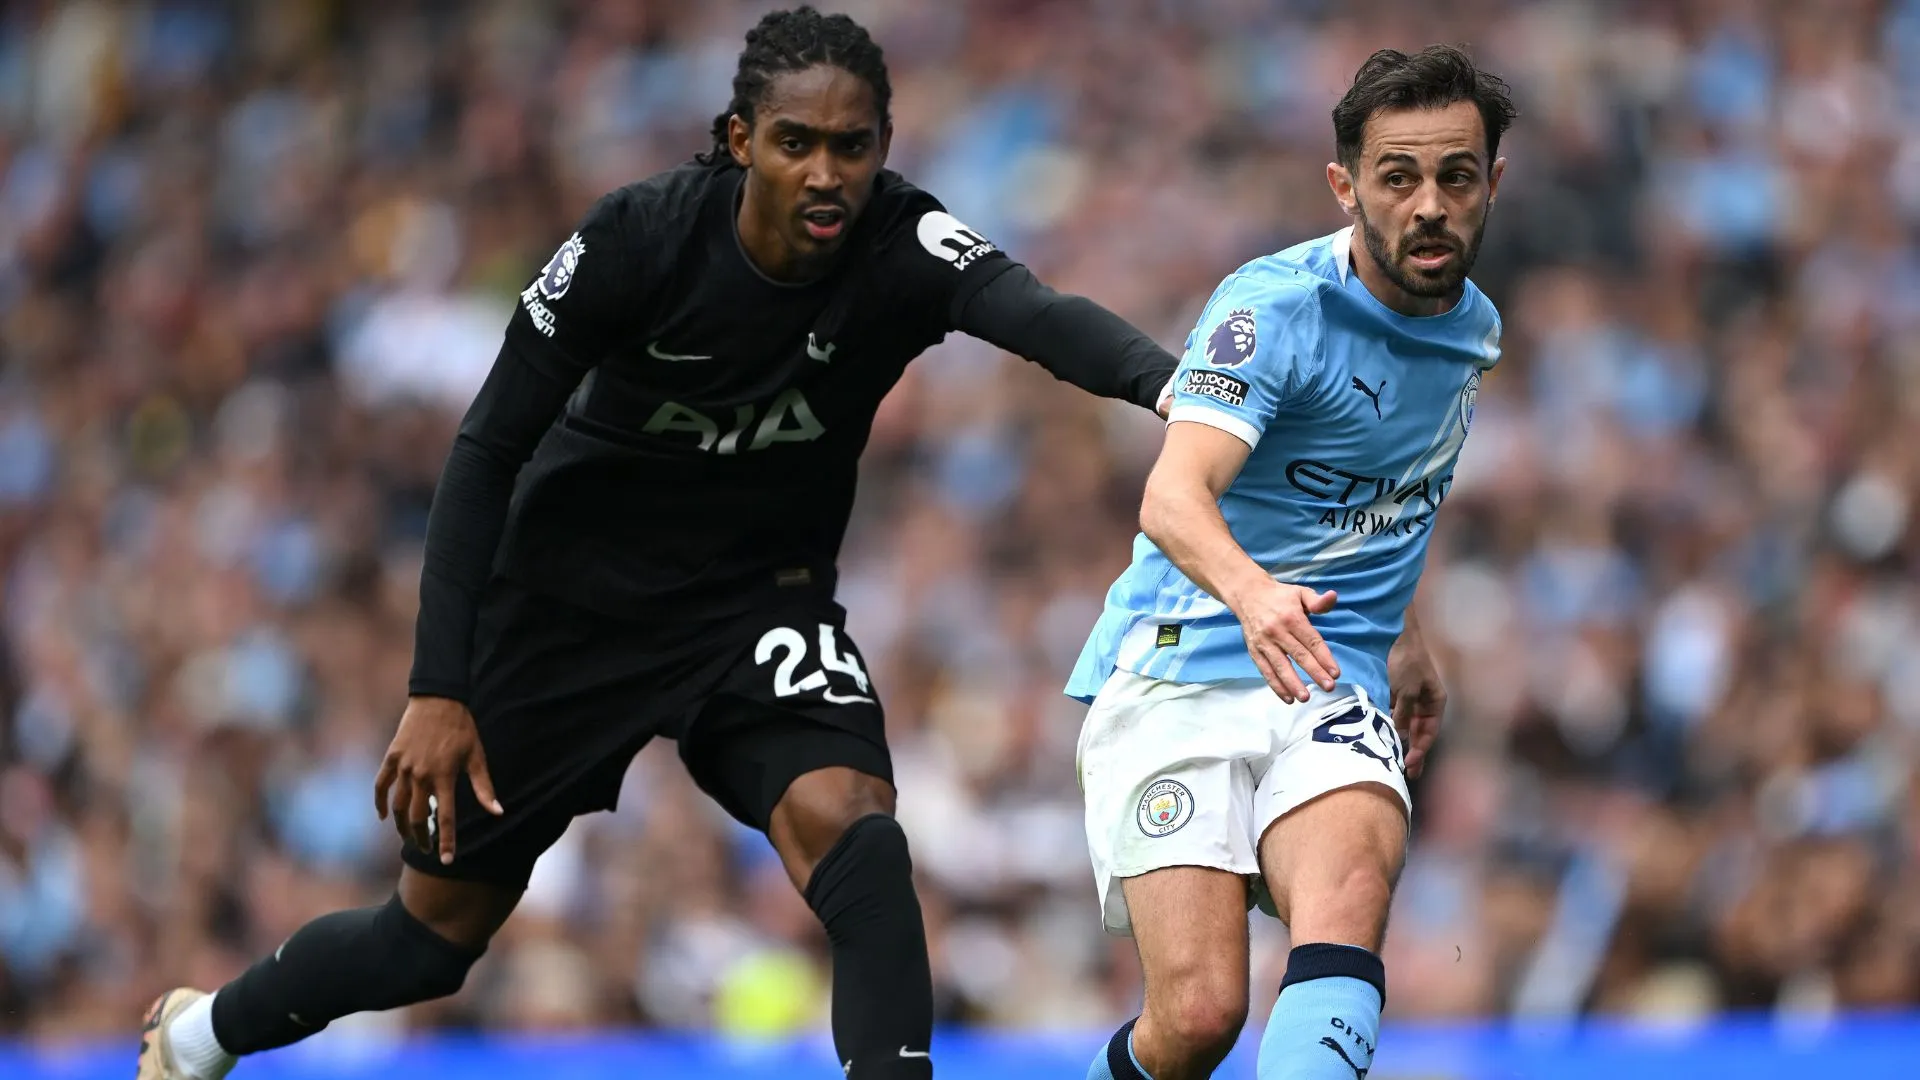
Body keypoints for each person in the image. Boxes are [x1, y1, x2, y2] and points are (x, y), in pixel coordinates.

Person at [136, 8, 1177, 1080]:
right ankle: (199, 1034)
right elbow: (488, 447)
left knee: (858, 830)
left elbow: (1040, 316)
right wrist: (437, 686)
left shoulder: (903, 243)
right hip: (565, 611)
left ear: (882, 149)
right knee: (428, 941)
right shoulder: (636, 239)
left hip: (754, 607)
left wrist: (1178, 387)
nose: (826, 174)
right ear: (739, 141)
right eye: (795, 143)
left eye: (852, 147)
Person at [1064, 45, 1514, 1080]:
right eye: (1398, 177)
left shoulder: (1476, 331)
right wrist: (1257, 593)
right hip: (1183, 663)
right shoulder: (1272, 311)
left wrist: (1402, 630)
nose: (1430, 205)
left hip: (1329, 674)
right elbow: (1172, 497)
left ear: (1493, 181)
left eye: (1456, 175)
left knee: (1349, 893)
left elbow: (1386, 488)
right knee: (1199, 1017)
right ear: (1345, 185)